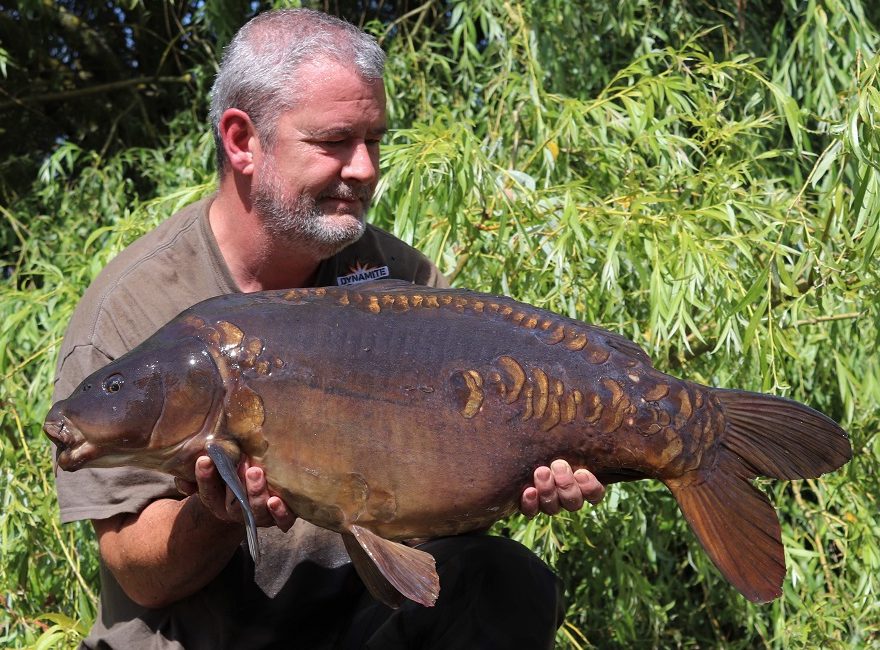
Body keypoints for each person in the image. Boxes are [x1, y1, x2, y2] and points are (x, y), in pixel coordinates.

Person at [51, 9, 606, 649]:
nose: (366, 168)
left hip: (357, 615)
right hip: (201, 635)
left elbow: (437, 502)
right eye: (335, 141)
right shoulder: (135, 305)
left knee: (504, 580)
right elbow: (140, 574)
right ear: (242, 141)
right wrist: (216, 513)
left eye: (374, 140)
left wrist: (526, 467)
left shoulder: (397, 276)